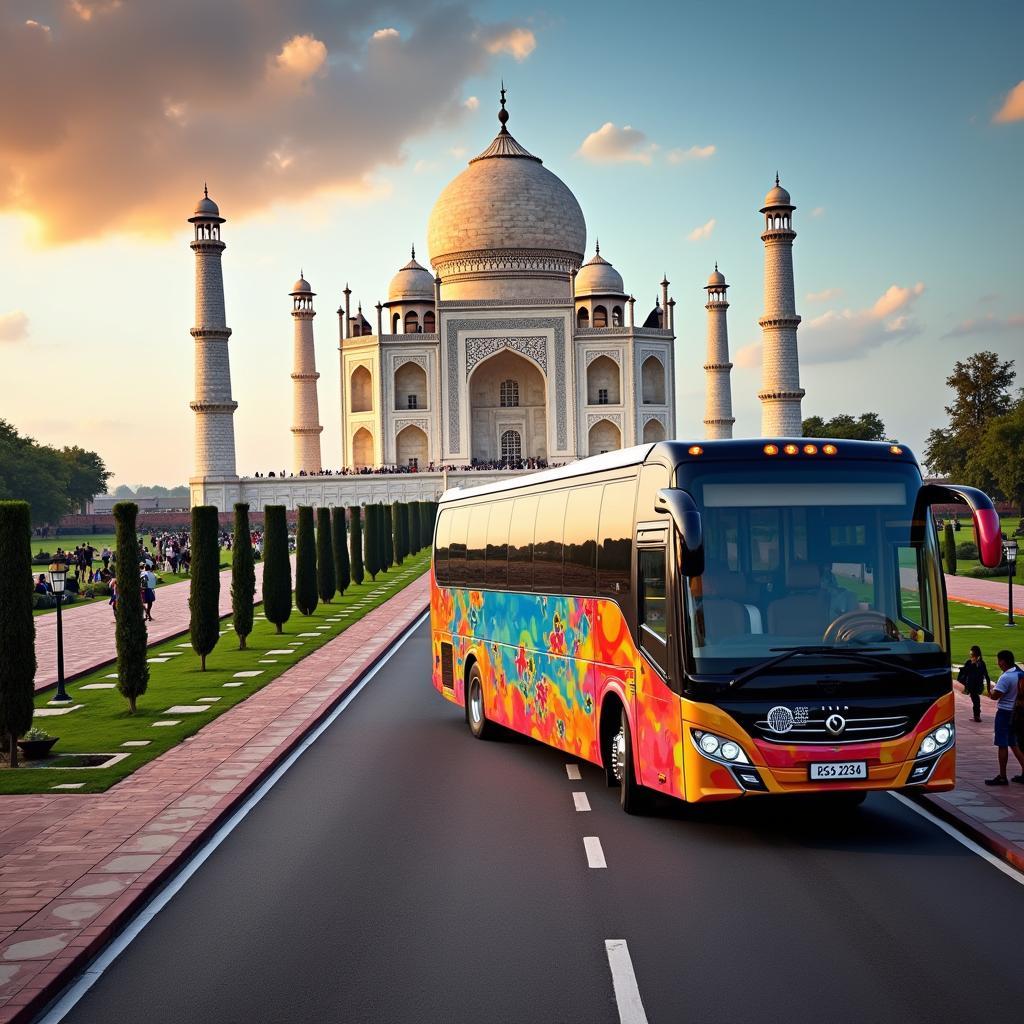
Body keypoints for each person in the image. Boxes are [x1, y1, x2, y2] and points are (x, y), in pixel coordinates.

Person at [985, 650, 1024, 786]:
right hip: (1016, 713)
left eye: (998, 660)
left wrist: (990, 690)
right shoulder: (1019, 673)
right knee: (1013, 743)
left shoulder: (1006, 677)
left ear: (1003, 661)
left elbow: (995, 696)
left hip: (1004, 713)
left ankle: (1002, 776)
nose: (998, 663)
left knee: (1002, 744)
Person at [957, 645, 992, 722]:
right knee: (975, 699)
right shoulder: (977, 663)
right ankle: (977, 715)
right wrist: (989, 690)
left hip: (974, 685)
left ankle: (977, 716)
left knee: (975, 699)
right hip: (975, 685)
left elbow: (985, 676)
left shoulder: (977, 663)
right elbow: (987, 677)